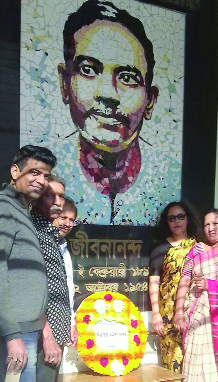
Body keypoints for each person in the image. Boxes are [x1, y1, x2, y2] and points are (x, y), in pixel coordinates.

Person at [57, 0, 180, 224]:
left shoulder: (170, 175)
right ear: (65, 84)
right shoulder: (51, 174)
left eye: (127, 78)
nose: (108, 94)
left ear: (150, 100)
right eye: (88, 70)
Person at [0, 145, 56, 382]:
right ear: (15, 172)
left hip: (26, 329)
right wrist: (12, 335)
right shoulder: (5, 208)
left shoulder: (22, 210)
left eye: (46, 176)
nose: (41, 180)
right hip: (15, 332)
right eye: (34, 172)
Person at [173, 209, 218, 382]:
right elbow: (185, 279)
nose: (211, 228)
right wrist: (179, 311)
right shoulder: (196, 251)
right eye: (206, 225)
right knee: (193, 359)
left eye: (215, 224)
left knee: (214, 366)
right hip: (196, 313)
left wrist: (210, 285)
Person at [148, 202, 197, 372]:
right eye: (172, 218)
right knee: (172, 358)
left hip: (195, 309)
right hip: (168, 313)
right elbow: (154, 282)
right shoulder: (160, 248)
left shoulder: (199, 246)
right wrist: (156, 315)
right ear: (167, 222)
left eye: (180, 216)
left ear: (187, 219)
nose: (176, 221)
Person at [31, 175, 71, 382]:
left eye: (61, 196)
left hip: (56, 332)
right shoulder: (33, 232)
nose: (57, 201)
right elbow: (32, 290)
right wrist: (48, 336)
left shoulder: (49, 232)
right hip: (41, 335)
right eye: (50, 195)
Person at [53, 197, 79, 348]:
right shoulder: (41, 246)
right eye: (63, 217)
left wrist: (71, 322)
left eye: (71, 220)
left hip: (61, 326)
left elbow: (68, 291)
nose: (67, 224)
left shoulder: (64, 249)